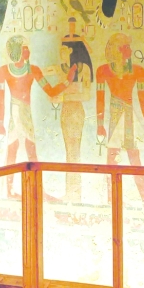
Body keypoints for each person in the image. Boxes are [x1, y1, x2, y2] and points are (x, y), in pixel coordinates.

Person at [0, 35, 74, 197]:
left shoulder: (33, 70)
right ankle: (13, 191)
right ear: (17, 50)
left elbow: (51, 91)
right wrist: (0, 123)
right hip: (17, 112)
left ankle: (35, 191)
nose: (28, 51)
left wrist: (67, 81)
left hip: (24, 112)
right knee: (19, 149)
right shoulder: (3, 71)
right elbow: (0, 99)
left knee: (22, 149)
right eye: (24, 48)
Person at [96, 32, 144, 204]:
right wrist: (100, 124)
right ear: (116, 50)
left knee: (134, 157)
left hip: (129, 117)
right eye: (125, 47)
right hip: (115, 117)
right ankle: (110, 201)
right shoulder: (103, 70)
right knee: (111, 159)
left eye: (129, 46)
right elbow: (100, 99)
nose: (130, 50)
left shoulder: (138, 71)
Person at [57, 19, 94, 200]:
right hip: (65, 113)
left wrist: (63, 97)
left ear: (72, 50)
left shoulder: (84, 69)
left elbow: (86, 96)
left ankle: (76, 193)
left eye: (63, 50)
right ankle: (69, 193)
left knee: (75, 151)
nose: (61, 54)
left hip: (76, 112)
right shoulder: (61, 69)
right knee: (68, 152)